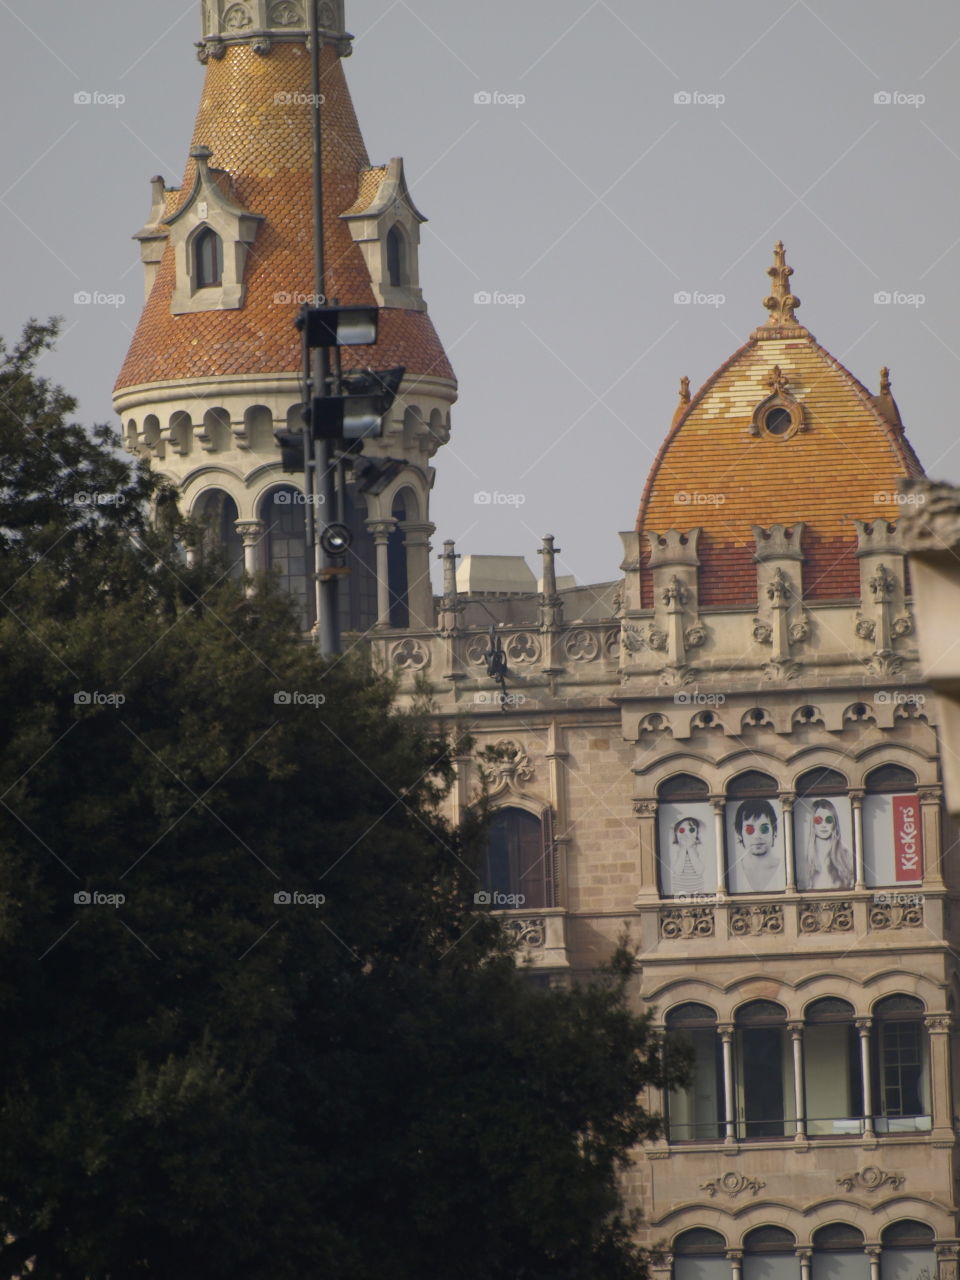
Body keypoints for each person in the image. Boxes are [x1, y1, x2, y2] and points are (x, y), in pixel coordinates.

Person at [799, 797, 854, 891]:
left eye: (828, 820)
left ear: (835, 824)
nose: (823, 825)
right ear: (812, 825)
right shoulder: (803, 861)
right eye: (818, 820)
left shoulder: (847, 857)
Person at [732, 799, 783, 892]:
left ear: (774, 832)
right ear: (739, 835)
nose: (757, 836)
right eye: (749, 830)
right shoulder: (733, 872)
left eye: (764, 828)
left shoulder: (784, 870)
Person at [670, 815, 705, 896]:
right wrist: (683, 848)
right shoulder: (677, 850)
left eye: (691, 830)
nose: (686, 834)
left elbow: (700, 870)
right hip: (679, 892)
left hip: (697, 891)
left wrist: (690, 848)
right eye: (682, 831)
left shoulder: (698, 849)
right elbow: (678, 871)